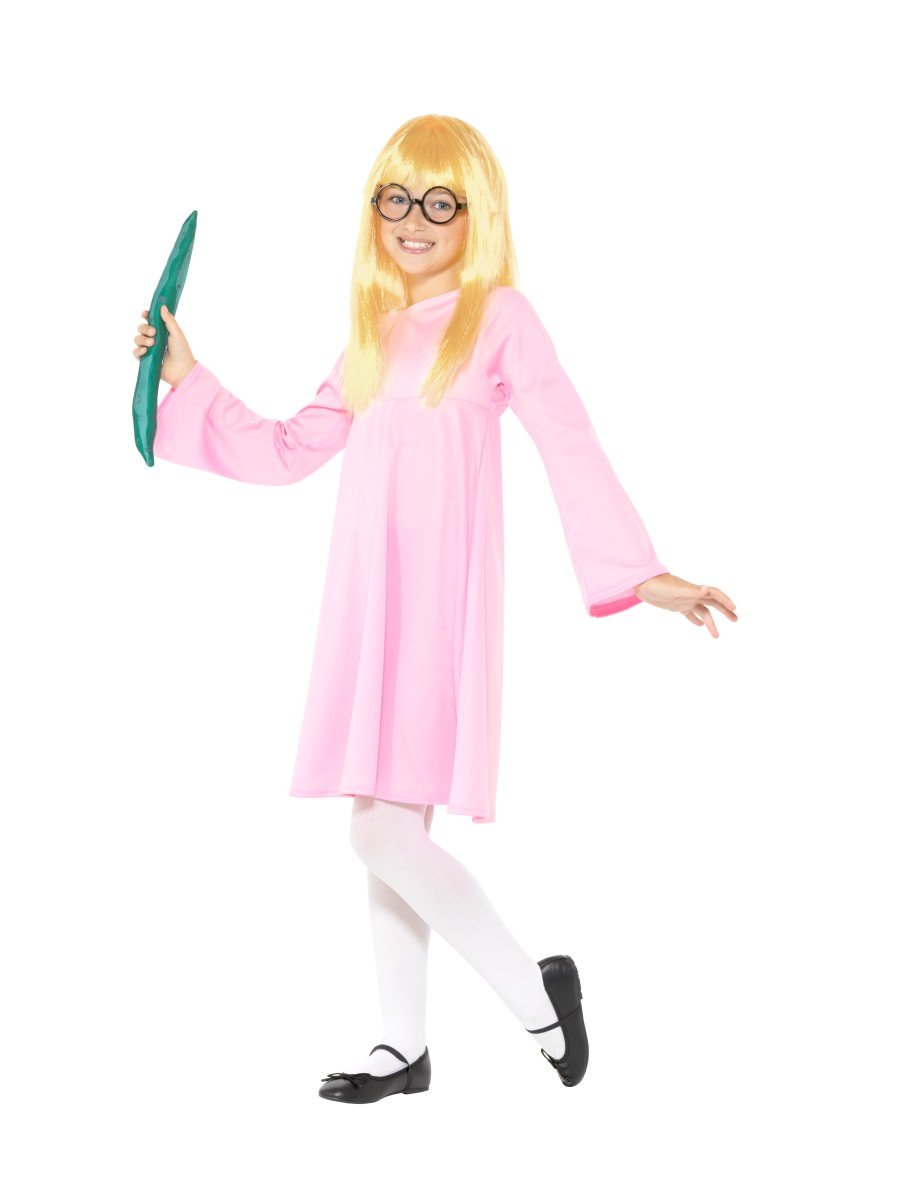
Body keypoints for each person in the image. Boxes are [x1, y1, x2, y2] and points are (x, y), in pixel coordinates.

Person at [132, 114, 737, 1104]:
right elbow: (286, 448)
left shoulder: (497, 318)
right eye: (396, 198)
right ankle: (402, 1046)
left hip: (438, 602)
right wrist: (184, 376)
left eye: (440, 202)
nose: (414, 219)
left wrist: (641, 572)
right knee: (383, 819)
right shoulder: (372, 335)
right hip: (367, 601)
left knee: (377, 833)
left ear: (475, 214)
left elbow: (566, 436)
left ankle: (537, 996)